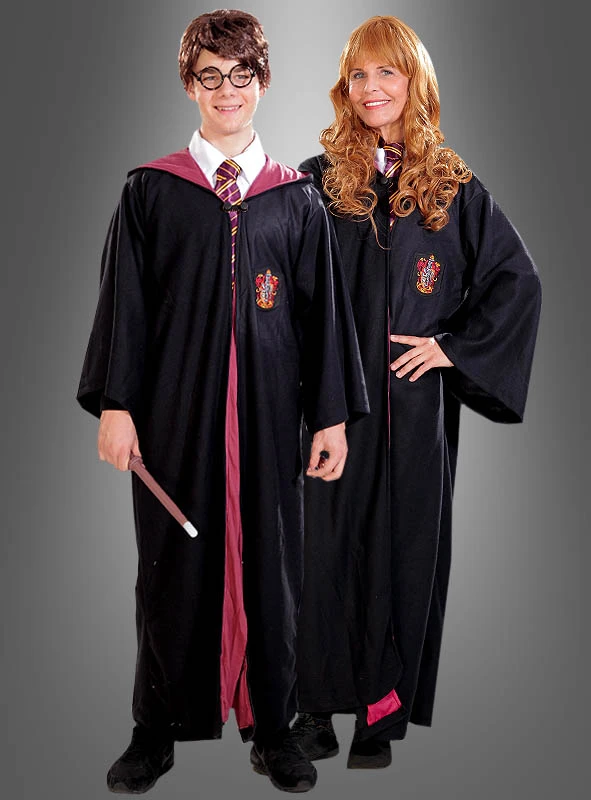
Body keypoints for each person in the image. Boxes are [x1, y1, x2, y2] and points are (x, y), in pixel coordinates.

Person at [77, 9, 368, 794]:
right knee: (168, 567)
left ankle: (272, 728)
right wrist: (116, 404)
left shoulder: (294, 200)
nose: (227, 90)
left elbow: (322, 317)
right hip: (174, 418)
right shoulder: (152, 190)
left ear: (263, 82)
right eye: (210, 75)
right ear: (188, 84)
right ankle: (154, 729)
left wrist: (332, 415)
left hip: (271, 420)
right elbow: (125, 306)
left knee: (274, 571)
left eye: (241, 75)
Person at [291, 15, 542, 769]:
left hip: (411, 409)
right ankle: (313, 710)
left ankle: (379, 715)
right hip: (330, 404)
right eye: (358, 75)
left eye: (387, 73)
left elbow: (516, 281)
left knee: (402, 549)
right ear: (344, 87)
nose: (372, 88)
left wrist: (449, 349)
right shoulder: (316, 181)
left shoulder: (451, 186)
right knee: (320, 546)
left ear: (414, 82)